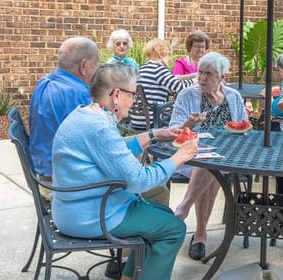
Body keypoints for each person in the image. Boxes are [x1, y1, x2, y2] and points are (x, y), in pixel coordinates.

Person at [51, 64, 197, 280]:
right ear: (116, 95)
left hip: (78, 207)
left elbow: (113, 150)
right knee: (173, 229)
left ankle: (128, 277)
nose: (135, 100)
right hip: (91, 215)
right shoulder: (99, 127)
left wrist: (153, 135)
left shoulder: (86, 114)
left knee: (163, 214)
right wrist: (180, 158)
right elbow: (138, 180)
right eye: (133, 94)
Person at [169, 52, 248, 261]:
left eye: (209, 74)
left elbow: (245, 127)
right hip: (192, 157)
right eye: (200, 72)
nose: (202, 78)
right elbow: (172, 131)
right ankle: (200, 234)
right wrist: (189, 124)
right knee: (210, 166)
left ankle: (184, 209)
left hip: (228, 157)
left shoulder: (233, 97)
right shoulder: (188, 95)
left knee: (213, 165)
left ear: (221, 77)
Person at [29, 36, 100, 195]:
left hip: (44, 171)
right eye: (96, 64)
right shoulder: (79, 95)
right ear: (83, 65)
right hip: (65, 181)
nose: (97, 70)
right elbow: (97, 144)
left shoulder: (43, 83)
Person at [130, 38, 194, 131]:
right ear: (161, 54)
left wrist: (189, 77)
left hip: (137, 120)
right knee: (182, 112)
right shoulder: (159, 69)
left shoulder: (143, 68)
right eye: (168, 54)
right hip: (153, 120)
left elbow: (165, 87)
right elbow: (180, 87)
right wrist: (195, 81)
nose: (170, 57)